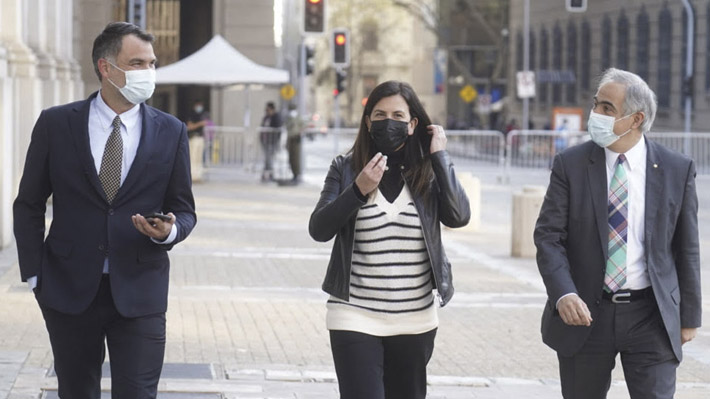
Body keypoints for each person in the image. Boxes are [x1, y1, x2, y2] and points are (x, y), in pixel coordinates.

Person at [13, 22, 197, 399]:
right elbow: (28, 204)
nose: (148, 73)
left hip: (141, 290)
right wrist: (35, 275)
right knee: (77, 391)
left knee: (138, 393)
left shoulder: (171, 131)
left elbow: (184, 208)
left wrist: (169, 232)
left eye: (151, 63)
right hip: (67, 290)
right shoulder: (57, 123)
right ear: (106, 68)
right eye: (137, 63)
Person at [534, 68, 701, 399]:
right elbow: (549, 237)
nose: (595, 114)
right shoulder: (571, 164)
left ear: (635, 118)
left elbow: (687, 248)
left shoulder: (676, 169)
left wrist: (689, 316)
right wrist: (564, 294)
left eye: (607, 108)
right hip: (585, 314)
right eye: (596, 104)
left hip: (651, 315)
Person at [309, 81, 470, 399]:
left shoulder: (428, 171)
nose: (388, 122)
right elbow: (319, 228)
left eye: (398, 115)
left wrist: (440, 156)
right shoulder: (345, 168)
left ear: (412, 125)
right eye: (379, 114)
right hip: (354, 315)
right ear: (368, 122)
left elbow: (458, 216)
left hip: (415, 321)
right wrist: (357, 189)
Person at [279, 104, 304, 186]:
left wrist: (300, 132)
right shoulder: (288, 118)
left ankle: (297, 175)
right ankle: (293, 173)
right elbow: (286, 126)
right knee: (291, 158)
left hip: (296, 139)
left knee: (296, 158)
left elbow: (302, 126)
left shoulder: (298, 118)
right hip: (290, 139)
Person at [260, 101, 282, 181]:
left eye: (268, 109)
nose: (267, 111)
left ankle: (270, 174)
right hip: (265, 141)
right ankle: (266, 174)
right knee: (267, 159)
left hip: (272, 142)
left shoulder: (276, 117)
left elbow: (278, 128)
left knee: (269, 159)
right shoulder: (266, 117)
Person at [186, 100, 208, 182]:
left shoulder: (202, 115)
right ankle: (192, 176)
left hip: (200, 137)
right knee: (193, 157)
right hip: (193, 137)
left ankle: (198, 176)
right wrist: (200, 124)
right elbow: (190, 126)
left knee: (199, 158)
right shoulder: (191, 114)